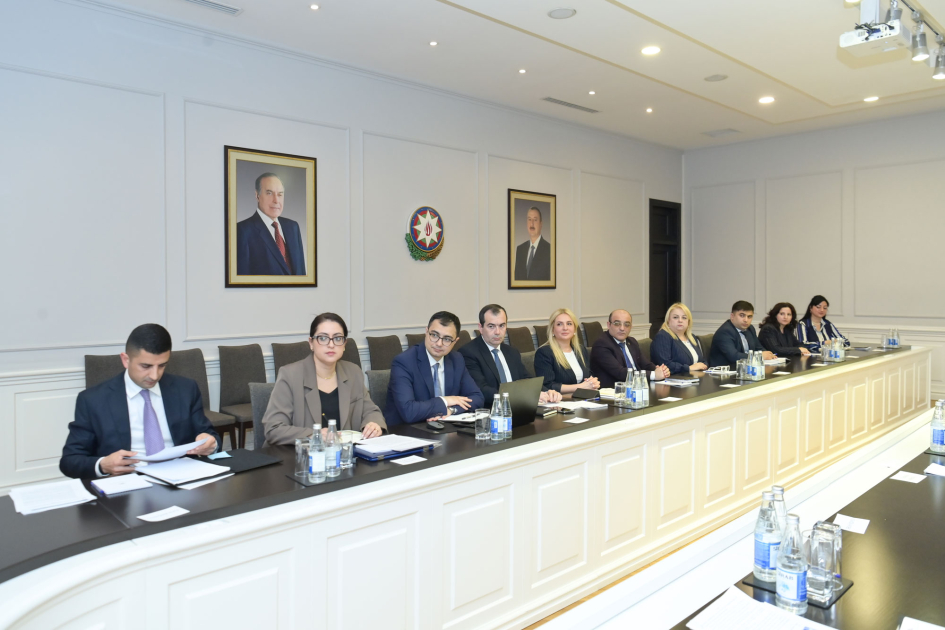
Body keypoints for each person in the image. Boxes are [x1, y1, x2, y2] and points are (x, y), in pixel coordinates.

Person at [59, 324, 219, 479]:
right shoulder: (93, 400)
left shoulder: (186, 389)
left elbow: (209, 434)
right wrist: (103, 465)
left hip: (181, 477)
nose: (155, 375)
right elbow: (70, 461)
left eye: (162, 365)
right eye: (146, 366)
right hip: (128, 481)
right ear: (125, 360)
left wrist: (210, 443)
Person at [262, 313, 385, 446]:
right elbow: (273, 428)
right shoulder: (290, 375)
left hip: (345, 454)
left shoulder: (353, 372)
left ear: (344, 344)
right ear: (311, 343)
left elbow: (371, 411)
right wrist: (314, 435)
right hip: (301, 454)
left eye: (337, 338)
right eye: (323, 338)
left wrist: (373, 424)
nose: (331, 344)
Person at [385, 311, 484, 426]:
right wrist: (445, 400)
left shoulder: (456, 359)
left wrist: (451, 410)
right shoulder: (404, 362)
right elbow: (409, 411)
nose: (439, 343)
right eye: (434, 335)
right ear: (426, 332)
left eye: (447, 339)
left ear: (455, 341)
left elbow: (477, 398)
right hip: (407, 430)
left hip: (445, 428)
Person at [459, 304, 562, 404]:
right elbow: (482, 390)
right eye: (491, 326)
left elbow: (526, 379)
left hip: (520, 407)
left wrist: (546, 392)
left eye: (502, 326)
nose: (497, 332)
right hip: (491, 409)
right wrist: (523, 396)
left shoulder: (511, 352)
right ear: (480, 328)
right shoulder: (468, 353)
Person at [236, 172, 306, 275]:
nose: (276, 200)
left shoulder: (293, 227)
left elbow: (301, 273)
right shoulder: (242, 231)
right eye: (269, 193)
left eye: (280, 194)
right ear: (257, 195)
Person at [591, 309, 670, 388]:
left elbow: (646, 364)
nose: (622, 328)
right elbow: (620, 373)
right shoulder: (601, 344)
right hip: (615, 390)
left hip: (637, 387)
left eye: (627, 324)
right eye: (617, 324)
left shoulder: (631, 342)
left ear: (631, 327)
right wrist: (654, 375)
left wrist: (660, 370)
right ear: (609, 325)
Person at [534, 308, 599, 395]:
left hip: (583, 398)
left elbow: (589, 375)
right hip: (560, 400)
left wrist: (593, 382)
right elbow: (547, 385)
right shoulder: (544, 353)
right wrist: (581, 387)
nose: (565, 328)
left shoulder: (580, 350)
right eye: (559, 324)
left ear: (574, 329)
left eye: (569, 324)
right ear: (552, 329)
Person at [708, 300, 776, 368]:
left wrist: (769, 355)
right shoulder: (725, 332)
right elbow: (733, 356)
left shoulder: (750, 328)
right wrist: (759, 356)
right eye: (742, 315)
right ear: (732, 316)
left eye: (749, 316)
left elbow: (758, 348)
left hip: (745, 368)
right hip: (725, 370)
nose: (746, 320)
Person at [650, 303, 709, 374]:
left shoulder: (691, 337)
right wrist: (689, 368)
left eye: (684, 318)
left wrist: (704, 365)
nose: (680, 320)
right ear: (668, 320)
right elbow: (665, 364)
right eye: (675, 317)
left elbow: (702, 360)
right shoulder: (663, 336)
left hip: (695, 377)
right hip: (675, 378)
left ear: (688, 321)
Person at [513, 206, 551, 281]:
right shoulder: (520, 249)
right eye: (529, 219)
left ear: (541, 224)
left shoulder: (549, 250)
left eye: (535, 220)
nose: (532, 223)